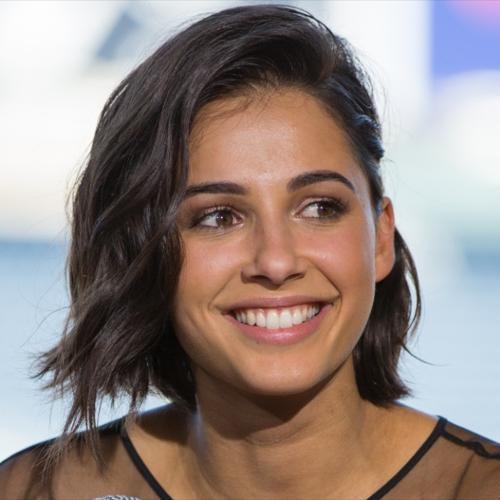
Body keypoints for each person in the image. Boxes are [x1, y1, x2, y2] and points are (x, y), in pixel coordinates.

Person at [1, 4, 499, 499]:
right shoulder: (38, 491)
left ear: (382, 236)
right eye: (219, 217)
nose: (276, 262)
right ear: (144, 252)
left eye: (319, 208)